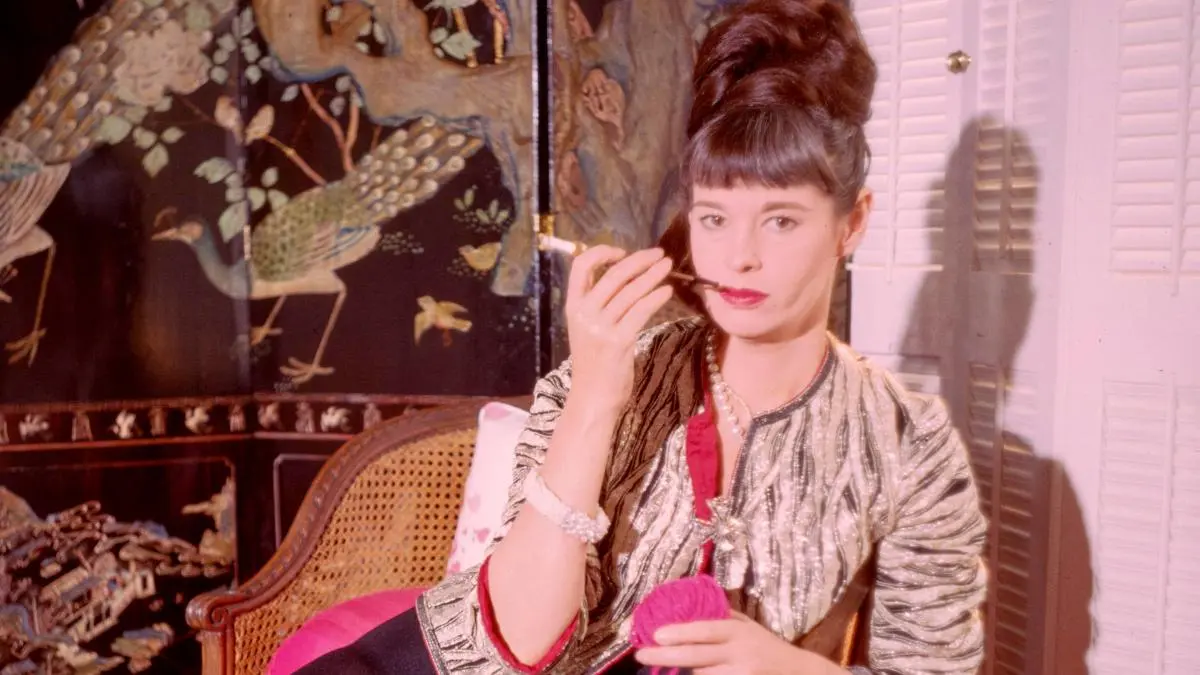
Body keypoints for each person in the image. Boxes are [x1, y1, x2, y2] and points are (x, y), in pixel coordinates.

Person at [297, 0, 988, 673]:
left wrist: (783, 666)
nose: (740, 257)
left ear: (852, 222)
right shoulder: (602, 378)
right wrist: (595, 398)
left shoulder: (910, 444)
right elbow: (510, 642)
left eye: (781, 220)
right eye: (714, 218)